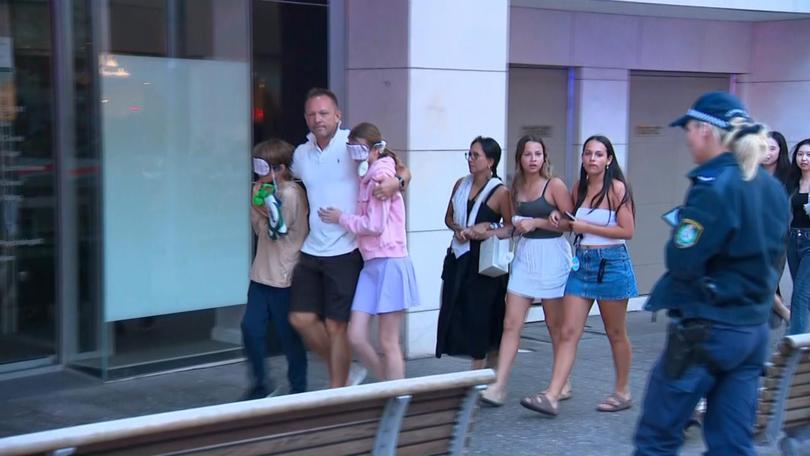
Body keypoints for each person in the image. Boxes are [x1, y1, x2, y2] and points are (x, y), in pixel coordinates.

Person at [633, 92, 789, 455]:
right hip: (752, 331)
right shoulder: (771, 188)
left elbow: (683, 258)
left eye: (688, 129)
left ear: (706, 130)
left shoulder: (713, 186)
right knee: (732, 445)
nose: (686, 138)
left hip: (708, 329)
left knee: (656, 438)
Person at [287, 88, 411, 388]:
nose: (318, 119)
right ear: (306, 118)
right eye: (312, 114)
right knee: (300, 319)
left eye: (324, 113)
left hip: (347, 250)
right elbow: (284, 179)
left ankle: (337, 391)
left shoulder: (352, 144)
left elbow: (400, 167)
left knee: (336, 326)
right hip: (313, 248)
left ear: (338, 116)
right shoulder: (301, 154)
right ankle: (344, 368)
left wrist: (398, 182)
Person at [521, 135, 637, 417]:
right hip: (582, 262)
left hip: (611, 263)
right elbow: (571, 222)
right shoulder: (580, 187)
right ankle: (553, 393)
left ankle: (622, 391)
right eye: (588, 154)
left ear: (609, 159)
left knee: (615, 332)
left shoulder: (617, 189)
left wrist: (586, 225)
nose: (592, 159)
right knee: (568, 331)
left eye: (599, 154)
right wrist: (557, 221)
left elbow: (627, 231)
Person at [319, 122, 419, 380]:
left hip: (390, 261)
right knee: (356, 335)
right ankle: (386, 385)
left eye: (359, 149)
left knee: (388, 341)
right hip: (372, 263)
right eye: (352, 149)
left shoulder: (380, 178)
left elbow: (374, 226)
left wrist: (341, 218)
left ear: (375, 149)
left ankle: (396, 396)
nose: (355, 155)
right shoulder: (373, 175)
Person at [480, 135, 573, 406]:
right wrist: (494, 231)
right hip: (524, 255)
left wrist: (538, 221)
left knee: (554, 324)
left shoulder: (554, 185)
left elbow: (570, 223)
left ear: (545, 157)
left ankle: (563, 380)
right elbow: (512, 224)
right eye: (527, 154)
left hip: (552, 255)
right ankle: (499, 385)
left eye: (537, 154)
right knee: (511, 323)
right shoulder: (515, 186)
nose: (533, 159)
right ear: (519, 158)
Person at [436, 136, 513, 370]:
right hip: (459, 257)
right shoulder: (461, 184)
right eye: (469, 154)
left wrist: (486, 231)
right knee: (458, 314)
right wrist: (459, 228)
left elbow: (511, 227)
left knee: (482, 318)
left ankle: (480, 377)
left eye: (476, 155)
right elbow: (448, 217)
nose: (470, 159)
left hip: (484, 263)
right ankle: (478, 377)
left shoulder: (500, 192)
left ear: (490, 161)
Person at [241, 139, 308, 400]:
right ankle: (260, 383)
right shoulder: (265, 190)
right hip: (261, 273)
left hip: (285, 275)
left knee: (288, 335)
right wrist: (259, 204)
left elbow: (276, 229)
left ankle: (299, 388)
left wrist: (261, 204)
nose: (258, 172)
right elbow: (260, 230)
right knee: (251, 328)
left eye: (263, 166)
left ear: (280, 168)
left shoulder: (290, 193)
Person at [764, 131, 792, 327]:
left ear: (780, 151)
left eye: (772, 148)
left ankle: (782, 313)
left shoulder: (789, 177)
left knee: (765, 279)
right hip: (752, 236)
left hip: (778, 239)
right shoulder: (750, 173)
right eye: (763, 147)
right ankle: (780, 314)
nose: (767, 153)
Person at [786, 138, 810, 335]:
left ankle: (793, 348)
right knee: (803, 293)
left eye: (809, 155)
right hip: (793, 240)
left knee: (800, 295)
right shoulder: (794, 182)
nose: (804, 159)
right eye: (801, 154)